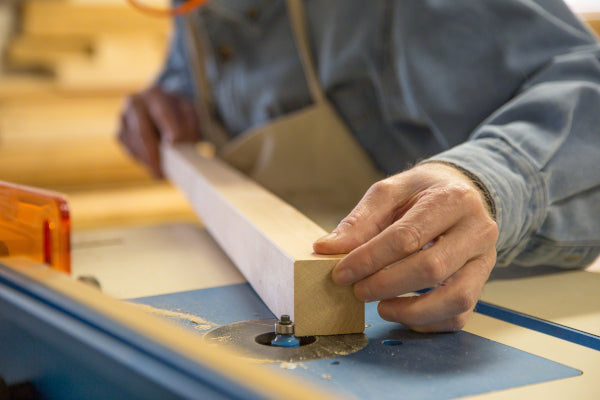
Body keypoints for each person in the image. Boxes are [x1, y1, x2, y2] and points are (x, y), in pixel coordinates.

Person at [118, 0, 600, 333]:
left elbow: (586, 82)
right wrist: (168, 96)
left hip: (481, 319)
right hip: (271, 299)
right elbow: (212, 73)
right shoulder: (193, 11)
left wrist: (488, 178)